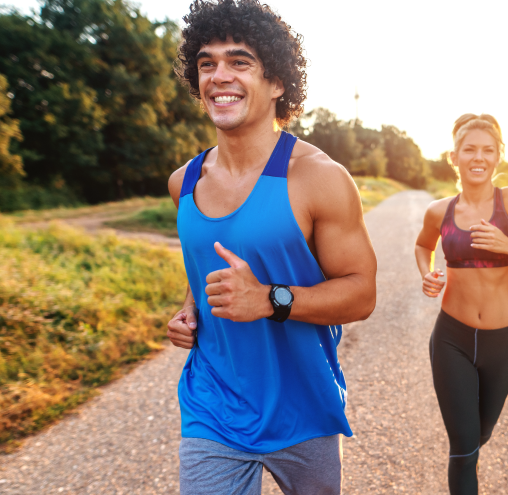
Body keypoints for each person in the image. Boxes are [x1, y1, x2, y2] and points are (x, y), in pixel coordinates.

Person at [165, 1, 377, 493]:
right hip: (213, 406)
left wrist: (267, 299)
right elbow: (204, 270)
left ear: (277, 82)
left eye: (240, 62)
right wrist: (190, 308)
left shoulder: (319, 179)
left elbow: (362, 294)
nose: (220, 75)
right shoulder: (184, 183)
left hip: (304, 407)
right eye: (207, 63)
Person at [414, 114, 508, 494]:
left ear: (499, 156)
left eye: (487, 150)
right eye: (469, 150)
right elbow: (422, 245)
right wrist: (426, 273)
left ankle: (474, 441)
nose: (478, 157)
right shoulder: (440, 211)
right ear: (454, 157)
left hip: (502, 342)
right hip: (451, 337)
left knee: (481, 433)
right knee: (463, 449)